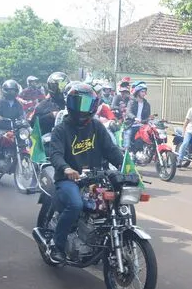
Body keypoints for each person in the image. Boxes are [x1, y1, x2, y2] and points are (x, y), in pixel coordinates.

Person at [45, 82, 125, 262]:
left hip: (94, 178)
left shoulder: (97, 127)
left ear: (94, 105)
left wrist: (126, 166)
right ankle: (57, 246)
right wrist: (66, 168)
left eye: (87, 104)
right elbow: (55, 154)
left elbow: (111, 150)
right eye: (78, 103)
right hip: (68, 179)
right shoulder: (61, 129)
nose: (82, 109)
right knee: (75, 205)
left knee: (117, 203)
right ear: (70, 104)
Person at [31, 72, 68, 136]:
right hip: (48, 140)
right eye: (55, 87)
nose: (59, 89)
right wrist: (50, 116)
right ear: (50, 87)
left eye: (62, 86)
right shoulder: (43, 105)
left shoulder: (71, 102)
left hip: (69, 139)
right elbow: (33, 124)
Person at [123, 82, 151, 148]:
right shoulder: (132, 102)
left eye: (145, 92)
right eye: (142, 92)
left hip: (142, 126)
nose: (144, 93)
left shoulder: (147, 104)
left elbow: (147, 116)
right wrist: (135, 118)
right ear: (138, 92)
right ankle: (126, 153)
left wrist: (148, 120)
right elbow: (128, 112)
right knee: (127, 144)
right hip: (130, 125)